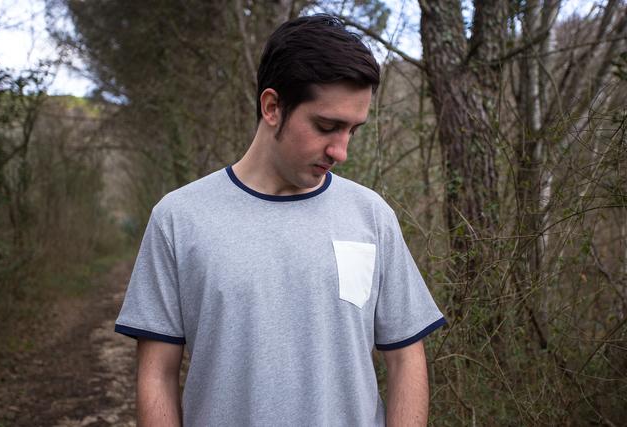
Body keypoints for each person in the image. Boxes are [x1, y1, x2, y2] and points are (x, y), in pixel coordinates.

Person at [115, 14, 445, 427]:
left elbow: (406, 358)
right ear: (272, 107)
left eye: (353, 130)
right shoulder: (180, 219)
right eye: (327, 126)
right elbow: (157, 375)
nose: (341, 151)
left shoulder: (371, 216)